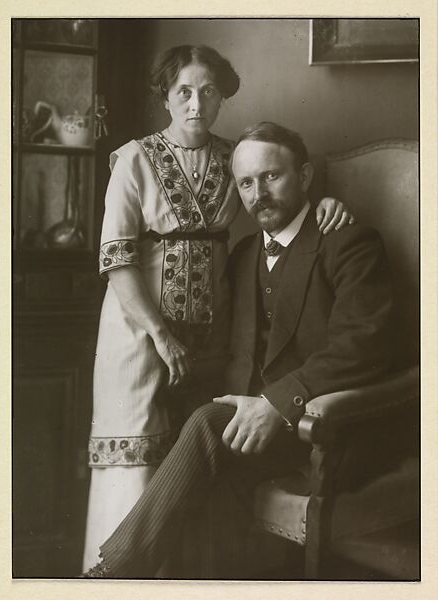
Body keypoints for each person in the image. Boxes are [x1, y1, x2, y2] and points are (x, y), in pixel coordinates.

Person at [82, 44, 354, 571]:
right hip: (139, 329)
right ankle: (110, 574)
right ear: (165, 94)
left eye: (209, 91)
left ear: (222, 96)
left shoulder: (236, 160)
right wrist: (160, 336)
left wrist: (322, 202)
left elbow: (277, 201)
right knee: (134, 459)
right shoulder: (134, 158)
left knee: (190, 460)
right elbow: (117, 259)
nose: (196, 104)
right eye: (184, 91)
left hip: (212, 333)